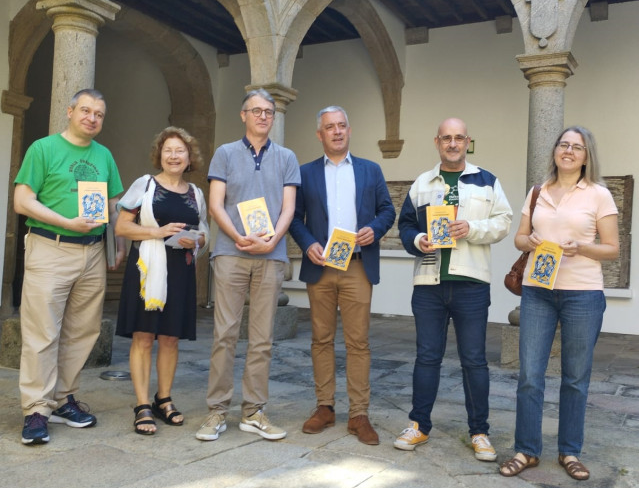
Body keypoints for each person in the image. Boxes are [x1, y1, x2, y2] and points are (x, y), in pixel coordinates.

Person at [500, 126, 619, 481]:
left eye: (577, 147)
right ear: (555, 151)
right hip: (538, 290)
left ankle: (570, 451)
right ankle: (527, 450)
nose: (569, 151)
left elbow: (612, 249)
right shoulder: (538, 191)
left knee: (575, 378)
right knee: (529, 375)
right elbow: (519, 238)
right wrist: (529, 242)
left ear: (586, 156)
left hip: (583, 293)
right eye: (563, 144)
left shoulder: (599, 194)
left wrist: (580, 247)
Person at [394, 117, 512, 459]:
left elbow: (503, 222)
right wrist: (418, 239)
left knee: (474, 360)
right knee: (426, 357)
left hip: (471, 284)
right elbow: (405, 226)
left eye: (459, 137)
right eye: (446, 138)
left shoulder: (486, 181)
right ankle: (419, 425)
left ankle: (479, 432)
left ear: (467, 142)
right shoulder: (422, 183)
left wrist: (471, 228)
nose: (452, 143)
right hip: (428, 284)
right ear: (437, 142)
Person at [14, 88, 125, 446]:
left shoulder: (104, 155)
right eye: (86, 111)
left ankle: (63, 399)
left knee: (82, 331)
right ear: (70, 111)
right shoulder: (43, 149)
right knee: (42, 332)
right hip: (51, 246)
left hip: (91, 252)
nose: (92, 118)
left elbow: (114, 204)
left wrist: (118, 242)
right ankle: (36, 409)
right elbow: (22, 201)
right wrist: (66, 221)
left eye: (99, 114)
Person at [196, 89, 300, 442]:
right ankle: (216, 411)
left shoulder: (286, 157)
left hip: (271, 256)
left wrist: (273, 240)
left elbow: (288, 207)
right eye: (256, 110)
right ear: (243, 115)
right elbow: (216, 204)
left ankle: (254, 411)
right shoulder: (225, 153)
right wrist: (237, 236)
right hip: (231, 253)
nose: (263, 116)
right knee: (224, 334)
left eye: (268, 111)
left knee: (262, 339)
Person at [289, 106, 395, 444]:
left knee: (358, 341)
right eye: (329, 127)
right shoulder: (305, 173)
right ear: (319, 135)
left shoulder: (370, 170)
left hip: (357, 265)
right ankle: (325, 407)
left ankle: (358, 414)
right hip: (321, 266)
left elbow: (387, 210)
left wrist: (374, 229)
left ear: (349, 131)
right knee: (321, 339)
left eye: (341, 126)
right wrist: (307, 244)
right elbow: (294, 218)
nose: (336, 131)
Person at [115, 127, 210, 434]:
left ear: (189, 158)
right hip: (147, 270)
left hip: (180, 271)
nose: (173, 156)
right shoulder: (145, 185)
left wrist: (197, 240)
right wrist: (156, 232)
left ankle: (163, 399)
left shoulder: (196, 193)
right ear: (160, 154)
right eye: (168, 150)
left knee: (170, 338)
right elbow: (122, 227)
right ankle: (142, 404)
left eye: (180, 151)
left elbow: (204, 232)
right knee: (144, 337)